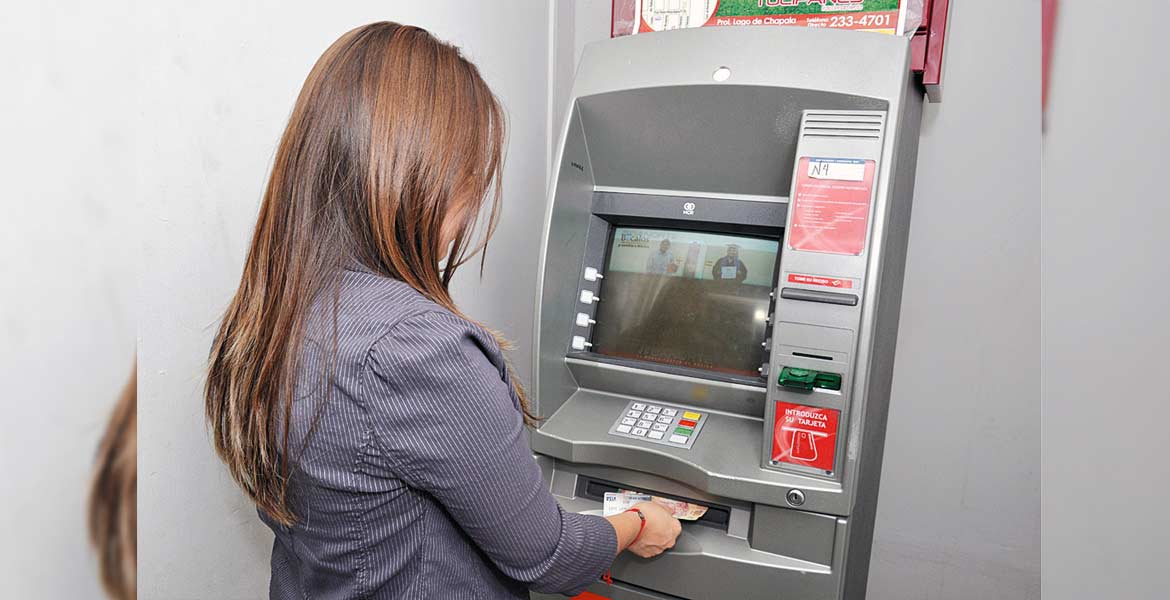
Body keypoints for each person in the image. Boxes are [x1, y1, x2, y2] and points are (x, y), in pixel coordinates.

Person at [203, 23, 680, 600]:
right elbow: (547, 556)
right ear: (415, 175)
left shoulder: (269, 310)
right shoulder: (417, 349)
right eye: (469, 177)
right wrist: (638, 522)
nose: (472, 204)